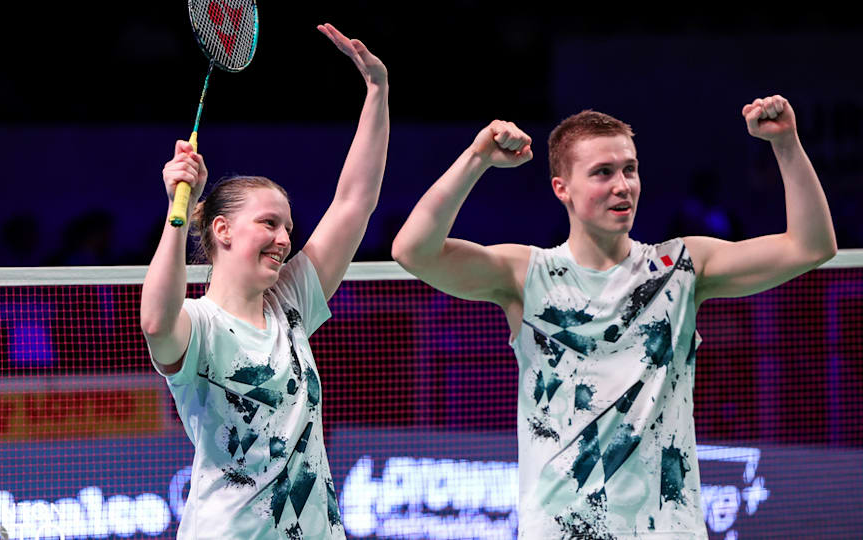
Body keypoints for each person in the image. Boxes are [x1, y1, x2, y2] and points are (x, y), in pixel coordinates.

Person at [391, 96, 836, 538]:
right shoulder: (527, 275)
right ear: (561, 188)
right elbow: (412, 251)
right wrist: (476, 159)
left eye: (630, 168)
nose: (623, 185)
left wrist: (786, 144)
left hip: (667, 530)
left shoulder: (680, 268)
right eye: (603, 173)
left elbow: (811, 247)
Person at [140, 23, 388, 539]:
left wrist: (377, 91)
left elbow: (354, 203)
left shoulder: (290, 304)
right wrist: (177, 210)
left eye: (288, 228)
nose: (283, 239)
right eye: (269, 224)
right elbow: (154, 320)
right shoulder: (199, 327)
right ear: (223, 230)